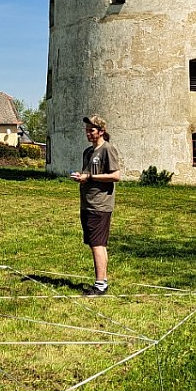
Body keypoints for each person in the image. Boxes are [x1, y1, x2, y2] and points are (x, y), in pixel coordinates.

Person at [70, 115, 121, 296]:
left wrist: (91, 177)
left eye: (91, 130)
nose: (88, 133)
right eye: (86, 130)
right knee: (97, 243)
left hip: (100, 205)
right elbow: (87, 173)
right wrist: (81, 177)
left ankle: (100, 285)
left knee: (97, 244)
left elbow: (115, 176)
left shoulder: (108, 150)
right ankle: (103, 281)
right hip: (87, 203)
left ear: (101, 131)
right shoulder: (87, 152)